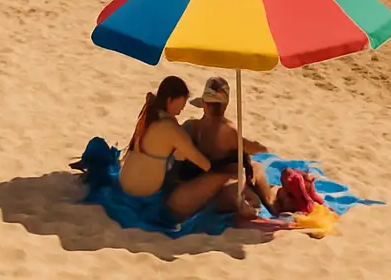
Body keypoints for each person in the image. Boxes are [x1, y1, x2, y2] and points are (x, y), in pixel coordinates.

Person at [118, 76, 240, 220]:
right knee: (218, 178)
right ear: (170, 101)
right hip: (143, 195)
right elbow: (205, 164)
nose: (183, 107)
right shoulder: (171, 128)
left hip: (124, 184)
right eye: (182, 102)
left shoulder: (151, 114)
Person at [180, 76, 278, 213]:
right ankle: (271, 205)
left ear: (204, 104)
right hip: (225, 178)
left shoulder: (191, 126)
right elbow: (256, 149)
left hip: (198, 178)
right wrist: (261, 147)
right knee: (256, 167)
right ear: (225, 105)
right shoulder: (227, 130)